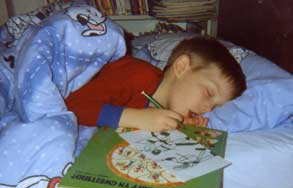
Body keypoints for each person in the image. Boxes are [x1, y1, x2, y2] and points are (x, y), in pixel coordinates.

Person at [65, 36, 246, 132]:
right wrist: (136, 118)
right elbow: (71, 106)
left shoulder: (163, 102)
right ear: (182, 67)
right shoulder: (136, 74)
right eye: (208, 92)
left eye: (215, 106)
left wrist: (179, 124)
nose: (208, 108)